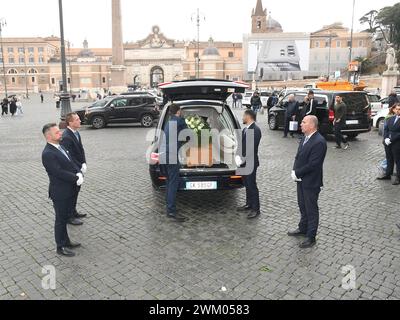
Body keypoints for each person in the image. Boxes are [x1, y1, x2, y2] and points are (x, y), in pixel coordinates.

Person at [41, 123, 83, 257]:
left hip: (69, 189)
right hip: (60, 192)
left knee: (65, 217)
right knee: (60, 220)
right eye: (57, 133)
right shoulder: (47, 153)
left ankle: (67, 241)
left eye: (59, 132)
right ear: (48, 136)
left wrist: (79, 171)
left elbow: (71, 161)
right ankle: (60, 246)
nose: (61, 134)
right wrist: (75, 178)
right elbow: (58, 172)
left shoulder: (61, 146)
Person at [288, 116, 327, 249]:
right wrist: (295, 171)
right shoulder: (305, 137)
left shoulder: (319, 141)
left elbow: (314, 164)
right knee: (302, 205)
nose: (301, 124)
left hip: (311, 182)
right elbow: (298, 156)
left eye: (304, 122)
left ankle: (311, 236)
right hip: (301, 179)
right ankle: (302, 228)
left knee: (311, 209)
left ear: (312, 125)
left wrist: (298, 173)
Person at [161, 104, 189, 222]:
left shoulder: (169, 121)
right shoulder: (179, 120)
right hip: (171, 156)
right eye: (181, 111)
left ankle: (169, 207)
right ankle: (171, 212)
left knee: (169, 182)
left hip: (163, 155)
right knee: (173, 183)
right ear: (178, 111)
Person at [61, 113, 88, 226]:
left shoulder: (76, 133)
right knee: (71, 193)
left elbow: (81, 150)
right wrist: (78, 168)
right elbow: (69, 157)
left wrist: (84, 162)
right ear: (70, 122)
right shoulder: (66, 136)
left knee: (76, 191)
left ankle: (74, 211)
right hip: (72, 170)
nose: (80, 121)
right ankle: (69, 216)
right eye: (77, 120)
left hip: (79, 166)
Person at [237, 110, 262, 219]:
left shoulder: (255, 130)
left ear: (248, 116)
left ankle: (256, 209)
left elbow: (251, 148)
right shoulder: (245, 129)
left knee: (252, 185)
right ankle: (249, 204)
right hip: (243, 163)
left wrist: (243, 159)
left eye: (243, 116)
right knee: (246, 184)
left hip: (250, 163)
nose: (242, 117)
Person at [378, 104, 400, 185]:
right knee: (389, 158)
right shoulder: (390, 118)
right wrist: (386, 138)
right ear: (394, 110)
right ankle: (388, 174)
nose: (398, 111)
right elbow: (386, 129)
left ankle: (398, 177)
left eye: (399, 109)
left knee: (398, 160)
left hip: (397, 143)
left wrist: (391, 139)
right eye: (396, 109)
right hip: (388, 142)